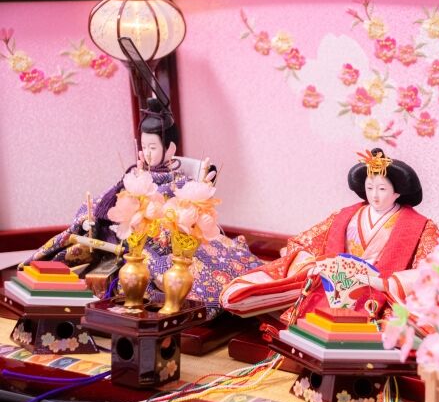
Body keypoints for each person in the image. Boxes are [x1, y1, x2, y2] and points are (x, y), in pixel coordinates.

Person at [22, 98, 262, 319]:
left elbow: (182, 210)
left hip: (166, 239)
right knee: (95, 249)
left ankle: (228, 297)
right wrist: (88, 218)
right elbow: (106, 200)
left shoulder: (179, 181)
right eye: (144, 147)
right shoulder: (135, 174)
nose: (147, 153)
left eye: (153, 147)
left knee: (206, 259)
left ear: (170, 149)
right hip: (133, 238)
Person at [220, 148, 439, 321]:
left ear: (397, 192)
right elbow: (305, 243)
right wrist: (315, 266)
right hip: (336, 288)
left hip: (380, 292)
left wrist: (384, 283)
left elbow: (432, 271)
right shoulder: (345, 216)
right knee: (288, 306)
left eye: (382, 189)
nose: (374, 195)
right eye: (370, 188)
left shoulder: (421, 227)